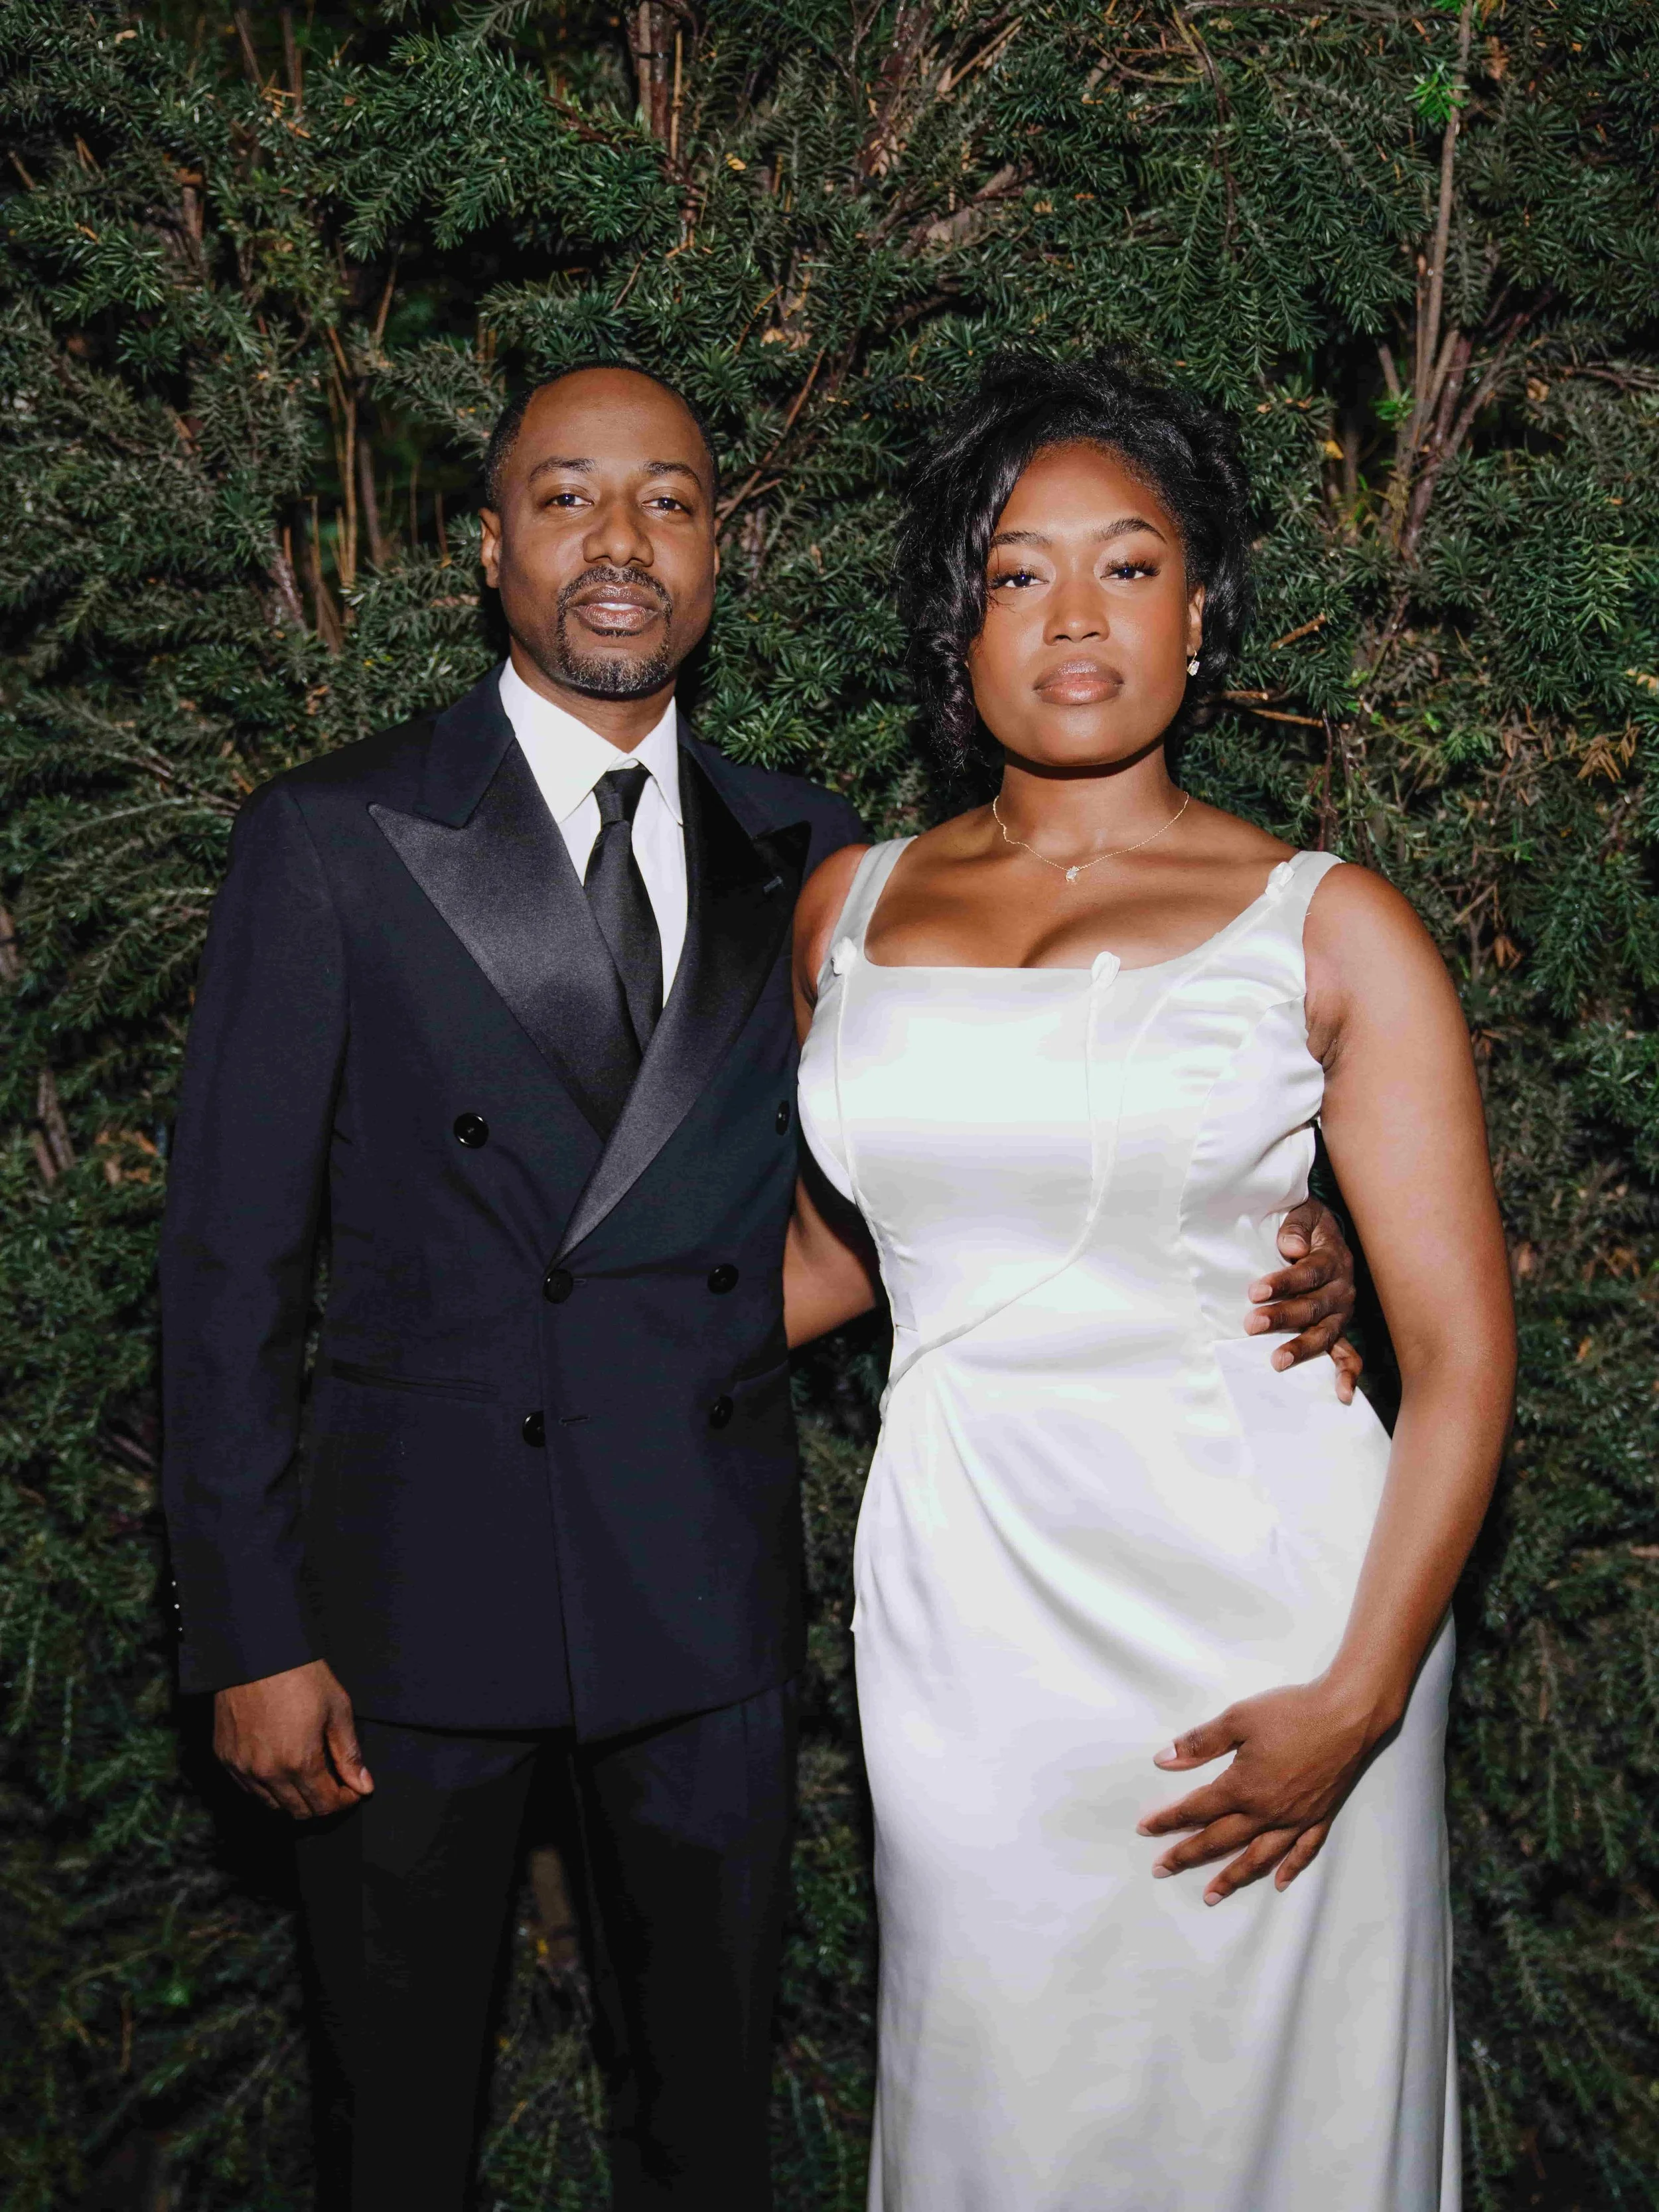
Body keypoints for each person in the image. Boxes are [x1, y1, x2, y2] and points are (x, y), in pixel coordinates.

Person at [160, 361, 1359, 2212]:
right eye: (565, 499)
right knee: (391, 2136)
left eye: (669, 502)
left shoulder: (815, 861)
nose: (619, 543)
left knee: (704, 2131)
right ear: (489, 550)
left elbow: (968, 1154)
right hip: (404, 1604)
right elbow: (230, 1263)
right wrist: (249, 1624)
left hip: (696, 1593)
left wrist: (1280, 1221)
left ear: (722, 550)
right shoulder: (331, 835)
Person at [786, 355, 1516, 2211]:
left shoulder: (1329, 923)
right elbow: (837, 1258)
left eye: (1126, 566)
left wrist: (1356, 1698)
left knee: (1277, 2110)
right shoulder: (848, 909)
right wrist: (480, 1340)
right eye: (1017, 573)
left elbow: (1458, 1353)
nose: (1074, 619)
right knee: (995, 2092)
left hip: (1273, 1609)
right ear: (960, 625)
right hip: (968, 1620)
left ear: (1202, 612)